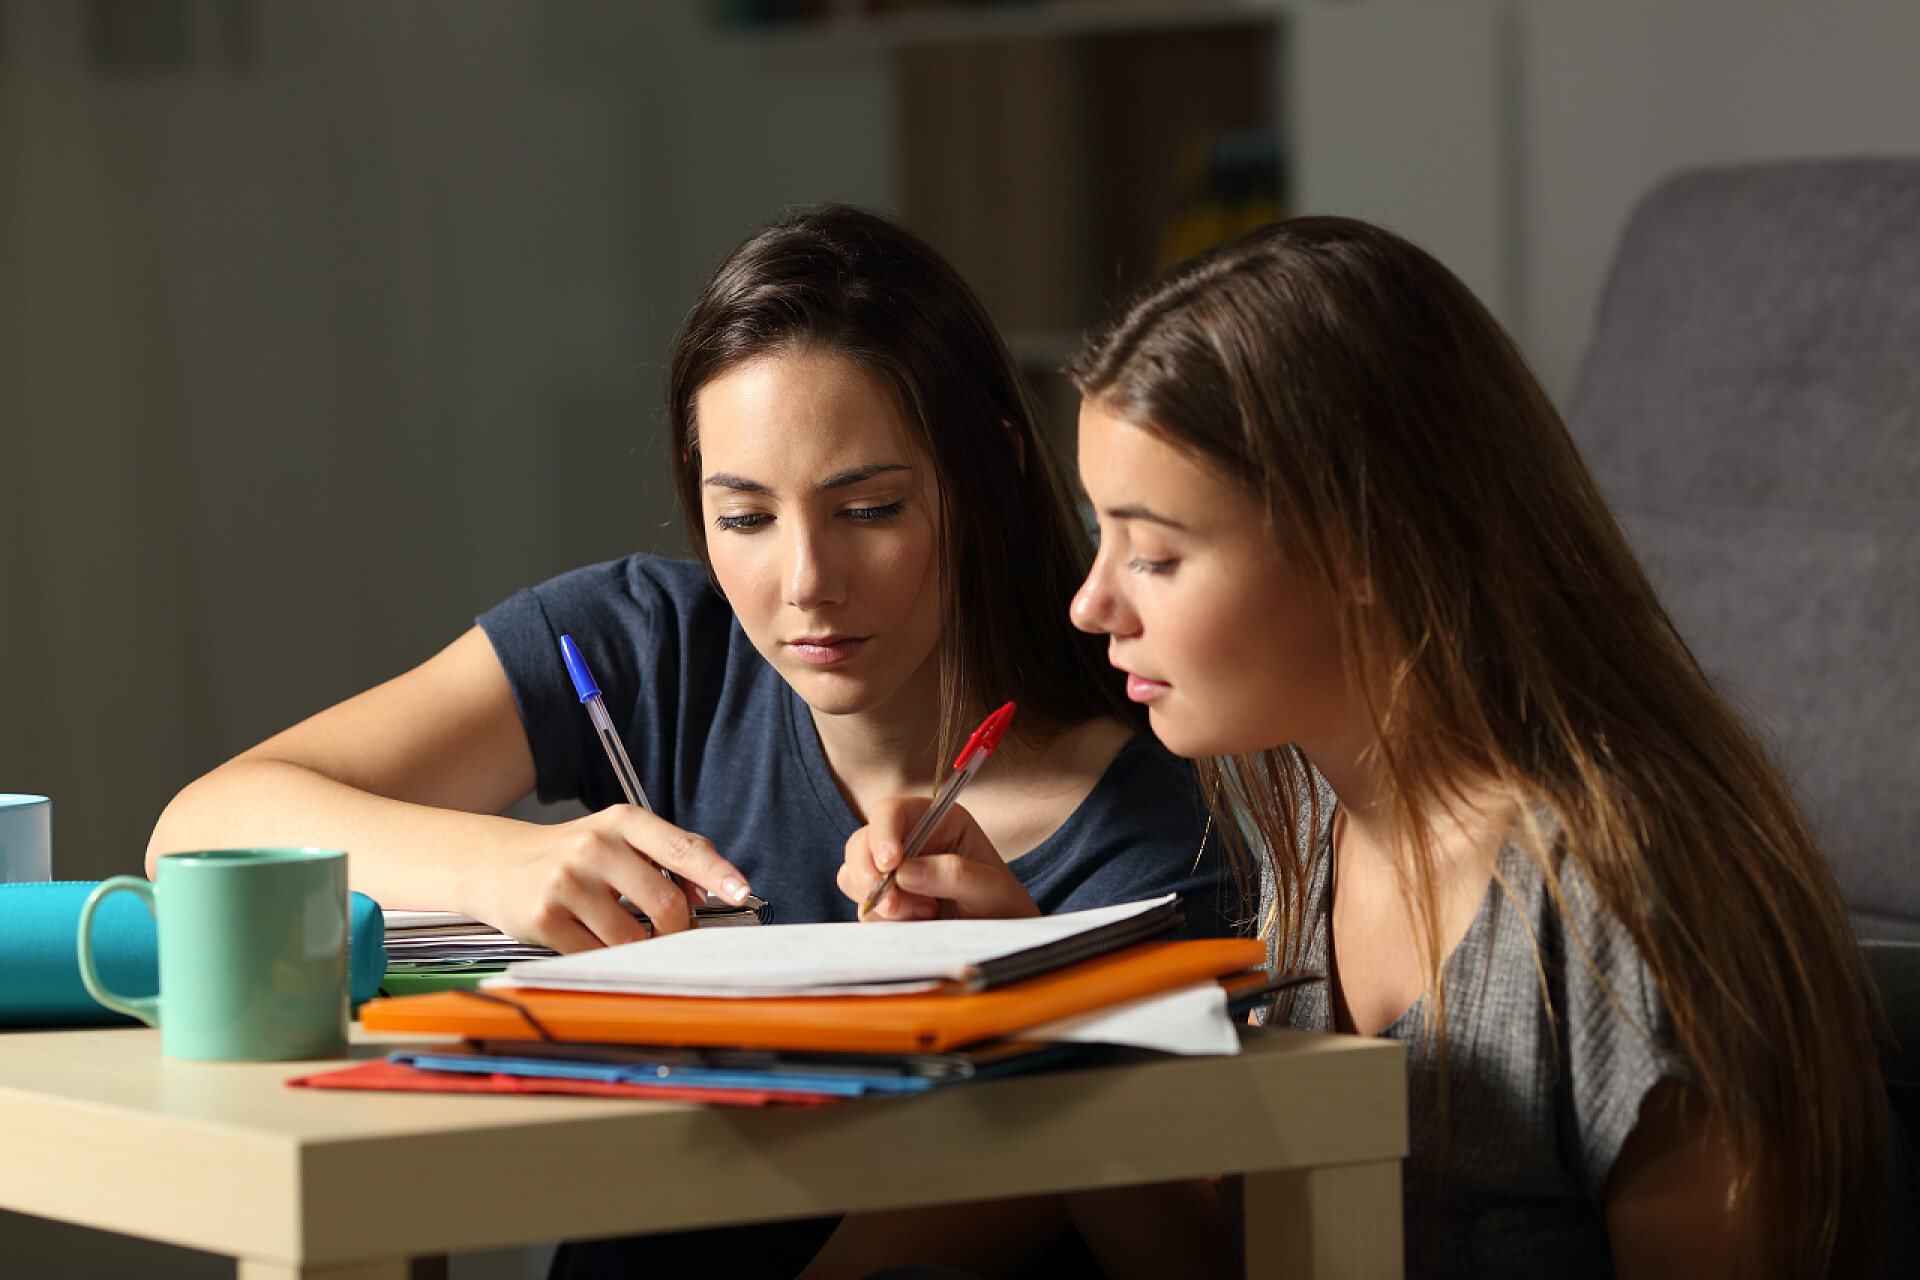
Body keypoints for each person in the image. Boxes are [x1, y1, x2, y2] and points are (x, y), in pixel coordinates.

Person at [147, 206, 1235, 1278]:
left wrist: (1037, 997)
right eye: (747, 516)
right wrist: (507, 860)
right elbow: (204, 824)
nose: (805, 583)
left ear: (992, 467)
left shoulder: (1149, 834)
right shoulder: (653, 646)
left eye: (870, 509)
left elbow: (1173, 1250)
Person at [1047, 215, 1899, 1278]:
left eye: (1157, 554)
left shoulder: (1617, 892)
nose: (1092, 604)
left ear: (1364, 541)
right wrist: (1040, 1023)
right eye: (1100, 537)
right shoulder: (1304, 820)